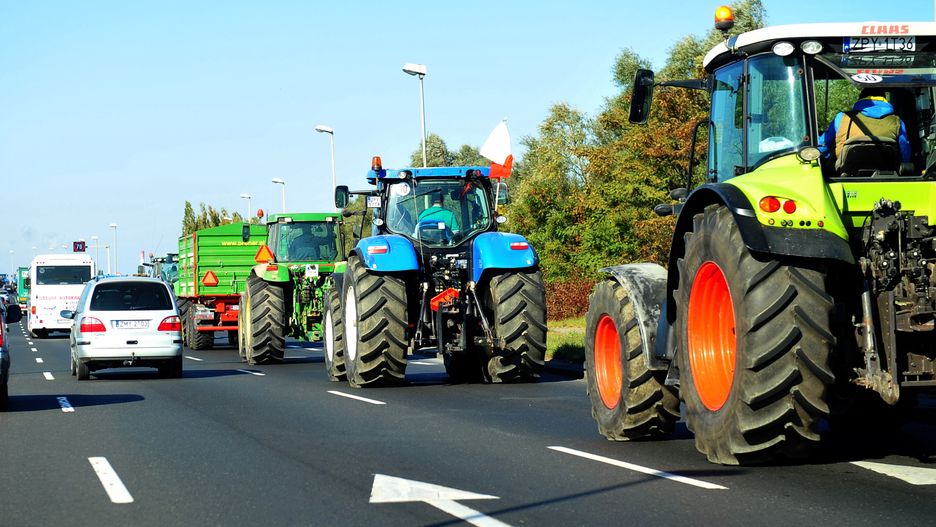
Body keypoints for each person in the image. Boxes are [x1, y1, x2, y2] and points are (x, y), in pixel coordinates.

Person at [819, 87, 911, 168]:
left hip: (845, 174)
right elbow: (904, 151)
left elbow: (822, 146)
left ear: (860, 99)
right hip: (888, 174)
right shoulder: (897, 121)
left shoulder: (842, 118)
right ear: (884, 100)